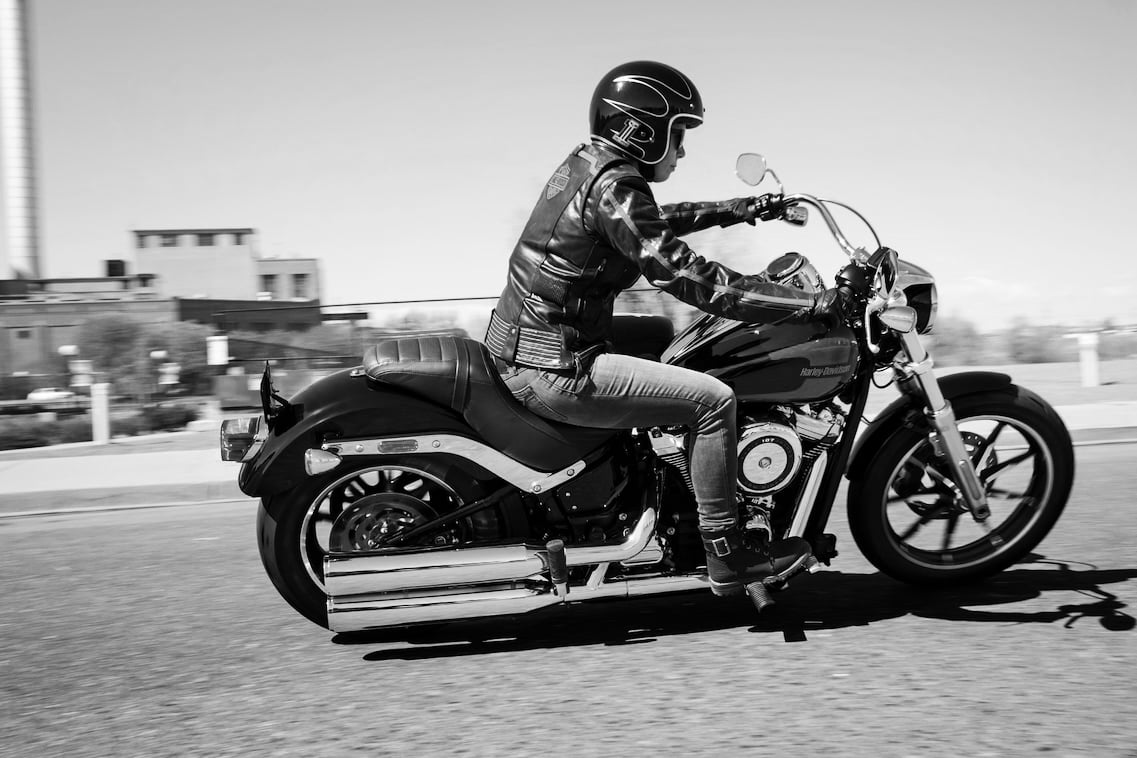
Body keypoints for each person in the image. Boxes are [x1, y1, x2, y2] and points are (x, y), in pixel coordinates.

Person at [484, 60, 855, 597]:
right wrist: (804, 303)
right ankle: (729, 554)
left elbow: (655, 221)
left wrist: (741, 209)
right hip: (553, 364)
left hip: (532, 343)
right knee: (713, 400)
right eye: (678, 133)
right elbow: (681, 273)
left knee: (664, 337)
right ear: (644, 127)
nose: (682, 149)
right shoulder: (613, 183)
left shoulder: (596, 169)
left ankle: (665, 489)